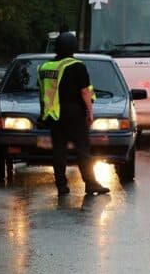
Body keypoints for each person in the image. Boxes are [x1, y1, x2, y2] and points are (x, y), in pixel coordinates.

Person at [38, 32, 110, 197]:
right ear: (73, 48)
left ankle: (61, 186)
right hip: (74, 113)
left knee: (59, 150)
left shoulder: (46, 67)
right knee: (82, 150)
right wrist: (90, 112)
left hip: (54, 114)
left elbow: (43, 92)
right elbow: (84, 91)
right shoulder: (77, 66)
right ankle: (91, 184)